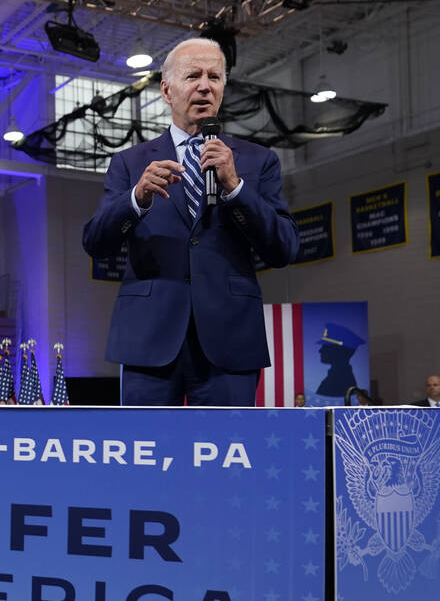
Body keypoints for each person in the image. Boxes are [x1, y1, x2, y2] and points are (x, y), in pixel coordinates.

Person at [82, 37, 298, 406]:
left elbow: (284, 248)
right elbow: (96, 243)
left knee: (229, 456)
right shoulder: (130, 164)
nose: (204, 85)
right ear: (167, 90)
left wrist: (235, 186)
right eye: (193, 75)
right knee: (145, 456)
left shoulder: (257, 161)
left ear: (223, 89)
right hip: (149, 341)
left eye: (214, 77)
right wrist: (137, 198)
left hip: (229, 342)